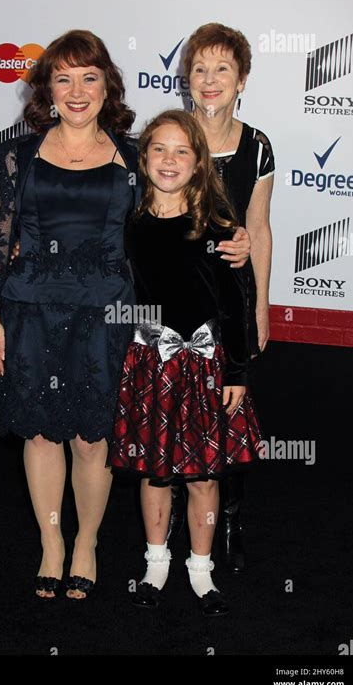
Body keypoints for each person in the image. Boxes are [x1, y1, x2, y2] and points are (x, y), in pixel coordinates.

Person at [0, 29, 140, 600]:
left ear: (107, 85)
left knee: (92, 437)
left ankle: (87, 543)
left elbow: (168, 231)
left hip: (106, 315)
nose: (76, 91)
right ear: (46, 89)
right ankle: (52, 544)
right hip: (29, 310)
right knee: (43, 432)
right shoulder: (16, 156)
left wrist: (235, 241)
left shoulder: (136, 156)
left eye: (89, 77)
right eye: (63, 78)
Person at [107, 110, 262, 615]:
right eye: (159, 149)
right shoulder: (129, 221)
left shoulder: (218, 226)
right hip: (151, 362)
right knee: (154, 472)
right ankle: (155, 562)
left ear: (198, 163)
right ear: (142, 156)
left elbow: (237, 303)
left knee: (203, 477)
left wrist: (236, 371)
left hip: (205, 366)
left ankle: (201, 568)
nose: (168, 160)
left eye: (182, 152)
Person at [166, 23, 275, 571]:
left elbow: (260, 227)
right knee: (172, 411)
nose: (209, 80)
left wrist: (261, 309)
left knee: (227, 414)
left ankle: (226, 514)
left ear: (242, 81)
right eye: (200, 69)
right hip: (176, 304)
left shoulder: (257, 146)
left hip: (232, 302)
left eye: (222, 70)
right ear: (187, 78)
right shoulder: (169, 137)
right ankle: (171, 520)